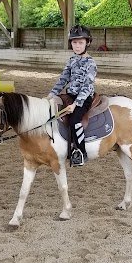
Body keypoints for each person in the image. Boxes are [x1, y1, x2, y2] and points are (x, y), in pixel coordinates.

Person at [48, 25, 97, 167]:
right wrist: (51, 94)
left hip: (84, 98)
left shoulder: (91, 63)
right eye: (74, 42)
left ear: (87, 43)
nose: (77, 46)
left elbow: (87, 86)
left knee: (75, 120)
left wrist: (75, 104)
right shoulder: (71, 60)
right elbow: (63, 79)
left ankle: (81, 152)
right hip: (70, 95)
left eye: (81, 42)